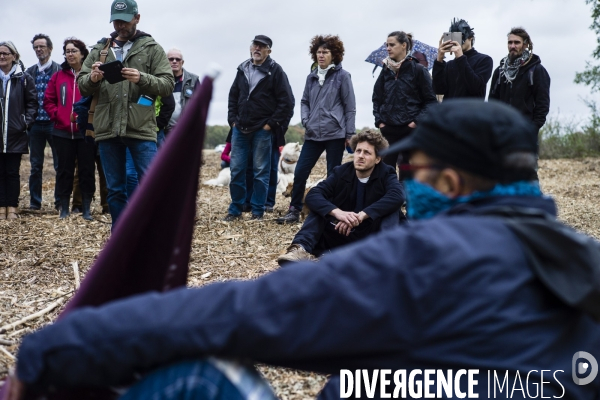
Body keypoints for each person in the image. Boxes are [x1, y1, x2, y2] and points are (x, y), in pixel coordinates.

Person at [9, 100, 600, 400]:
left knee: (202, 377)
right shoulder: (585, 261)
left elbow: (242, 315)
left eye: (415, 170)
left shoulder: (429, 262)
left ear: (450, 183)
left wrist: (47, 353)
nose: (407, 182)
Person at [78, 0, 175, 228]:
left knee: (151, 185)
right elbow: (82, 85)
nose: (121, 25)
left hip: (140, 129)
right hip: (108, 129)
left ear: (137, 18)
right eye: (117, 21)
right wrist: (92, 78)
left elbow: (168, 84)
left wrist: (142, 78)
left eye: (125, 20)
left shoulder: (152, 48)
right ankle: (120, 236)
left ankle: (153, 232)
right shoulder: (100, 50)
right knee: (115, 190)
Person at [277, 129, 403, 264]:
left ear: (378, 158)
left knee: (392, 210)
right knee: (321, 207)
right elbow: (314, 194)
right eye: (358, 151)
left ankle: (386, 255)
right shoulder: (342, 171)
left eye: (367, 153)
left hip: (372, 235)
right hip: (342, 233)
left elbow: (397, 195)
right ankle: (299, 248)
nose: (360, 156)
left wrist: (362, 215)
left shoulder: (386, 173)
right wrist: (338, 213)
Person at [277, 34, 356, 224]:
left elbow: (350, 106)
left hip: (335, 133)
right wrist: (306, 119)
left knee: (333, 174)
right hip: (313, 133)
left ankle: (330, 212)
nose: (321, 55)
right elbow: (304, 101)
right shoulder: (311, 77)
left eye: (325, 52)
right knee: (301, 171)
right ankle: (294, 209)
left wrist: (350, 134)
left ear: (334, 55)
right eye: (319, 52)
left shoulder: (343, 76)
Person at [223, 35, 294, 221]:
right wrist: (232, 120)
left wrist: (270, 124)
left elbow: (286, 102)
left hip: (262, 130)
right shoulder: (242, 69)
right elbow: (233, 96)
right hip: (240, 128)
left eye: (262, 47)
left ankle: (257, 211)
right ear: (250, 47)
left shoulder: (276, 71)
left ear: (268, 51)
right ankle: (235, 209)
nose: (257, 49)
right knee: (236, 169)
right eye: (255, 45)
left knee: (261, 171)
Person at [44, 38, 96, 221]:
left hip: (86, 133)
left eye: (74, 50)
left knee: (87, 170)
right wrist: (58, 115)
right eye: (67, 51)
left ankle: (87, 207)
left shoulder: (90, 76)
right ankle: (64, 207)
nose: (70, 54)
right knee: (64, 171)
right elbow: (48, 100)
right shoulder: (58, 76)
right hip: (62, 132)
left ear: (82, 54)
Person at [372, 30, 437, 176]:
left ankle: (406, 199)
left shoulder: (419, 70)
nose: (388, 48)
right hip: (388, 130)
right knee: (385, 172)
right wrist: (379, 121)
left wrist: (415, 122)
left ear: (403, 46)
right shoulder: (385, 71)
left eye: (392, 45)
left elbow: (431, 101)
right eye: (387, 45)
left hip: (410, 130)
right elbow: (376, 98)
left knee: (407, 171)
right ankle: (390, 198)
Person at [0, 41, 37, 220]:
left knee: (13, 172)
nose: (2, 56)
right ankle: (1, 207)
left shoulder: (24, 78)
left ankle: (12, 206)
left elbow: (32, 103)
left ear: (14, 56)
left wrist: (25, 122)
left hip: (15, 133)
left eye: (6, 53)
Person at [489, 27, 551, 133]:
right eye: (510, 42)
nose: (512, 46)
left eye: (517, 42)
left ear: (525, 44)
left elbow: (542, 104)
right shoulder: (500, 72)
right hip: (502, 132)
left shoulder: (536, 70)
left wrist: (532, 129)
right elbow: (492, 103)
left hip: (524, 131)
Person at [26, 33, 60, 211]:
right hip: (35, 125)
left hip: (54, 124)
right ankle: (35, 203)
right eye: (36, 47)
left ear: (50, 48)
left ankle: (59, 202)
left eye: (42, 46)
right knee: (35, 166)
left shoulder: (60, 71)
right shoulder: (29, 72)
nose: (39, 50)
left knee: (59, 165)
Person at [432, 18, 493, 99]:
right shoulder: (449, 65)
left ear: (470, 37)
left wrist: (460, 57)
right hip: (450, 111)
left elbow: (475, 87)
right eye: (454, 37)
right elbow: (438, 90)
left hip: (471, 111)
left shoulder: (484, 60)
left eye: (461, 37)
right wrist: (439, 61)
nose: (458, 41)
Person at [165, 48, 199, 143]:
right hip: (164, 132)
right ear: (166, 62)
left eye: (177, 59)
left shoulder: (193, 80)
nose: (174, 61)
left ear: (182, 62)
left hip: (186, 131)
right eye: (171, 59)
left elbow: (199, 106)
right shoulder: (160, 80)